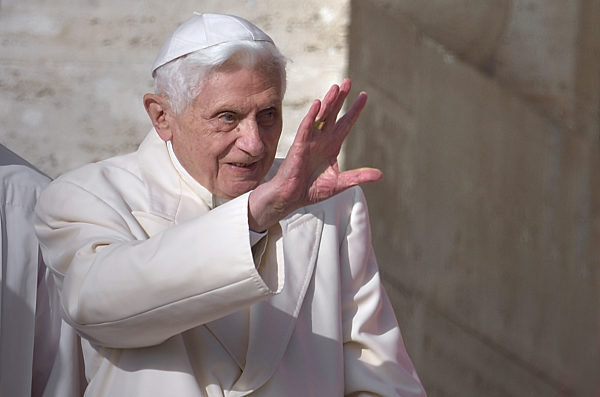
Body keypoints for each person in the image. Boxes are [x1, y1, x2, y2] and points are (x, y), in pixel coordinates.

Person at [34, 12, 426, 396]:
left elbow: (380, 378)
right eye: (227, 117)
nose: (254, 143)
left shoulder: (331, 207)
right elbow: (99, 306)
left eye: (268, 115)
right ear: (162, 116)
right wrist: (255, 217)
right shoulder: (88, 196)